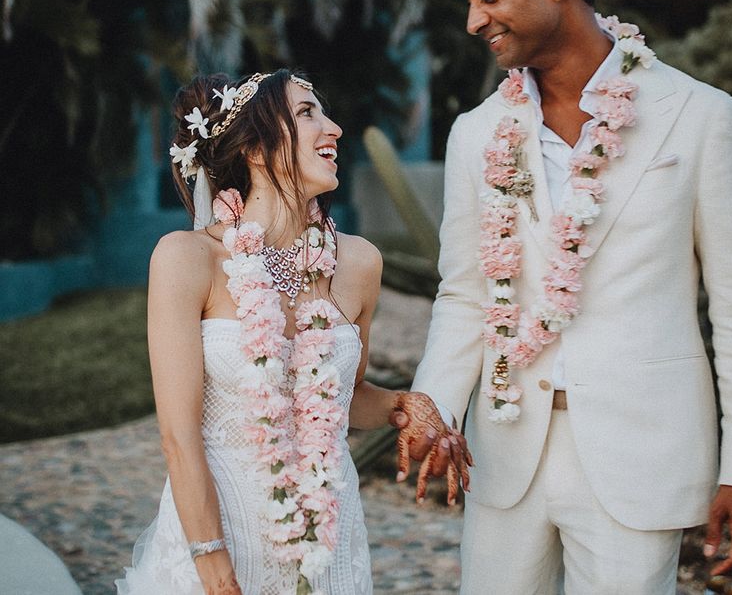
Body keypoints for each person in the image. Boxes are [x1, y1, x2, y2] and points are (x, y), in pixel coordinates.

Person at [404, 0, 732, 593]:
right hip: (506, 458)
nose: (474, 20)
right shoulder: (476, 135)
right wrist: (432, 411)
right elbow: (465, 294)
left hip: (641, 456)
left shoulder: (700, 120)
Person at [115, 69, 469, 595]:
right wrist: (211, 563)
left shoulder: (359, 263)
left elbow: (338, 401)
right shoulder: (188, 259)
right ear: (256, 149)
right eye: (307, 114)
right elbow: (179, 436)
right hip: (220, 535)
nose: (335, 129)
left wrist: (404, 405)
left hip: (327, 538)